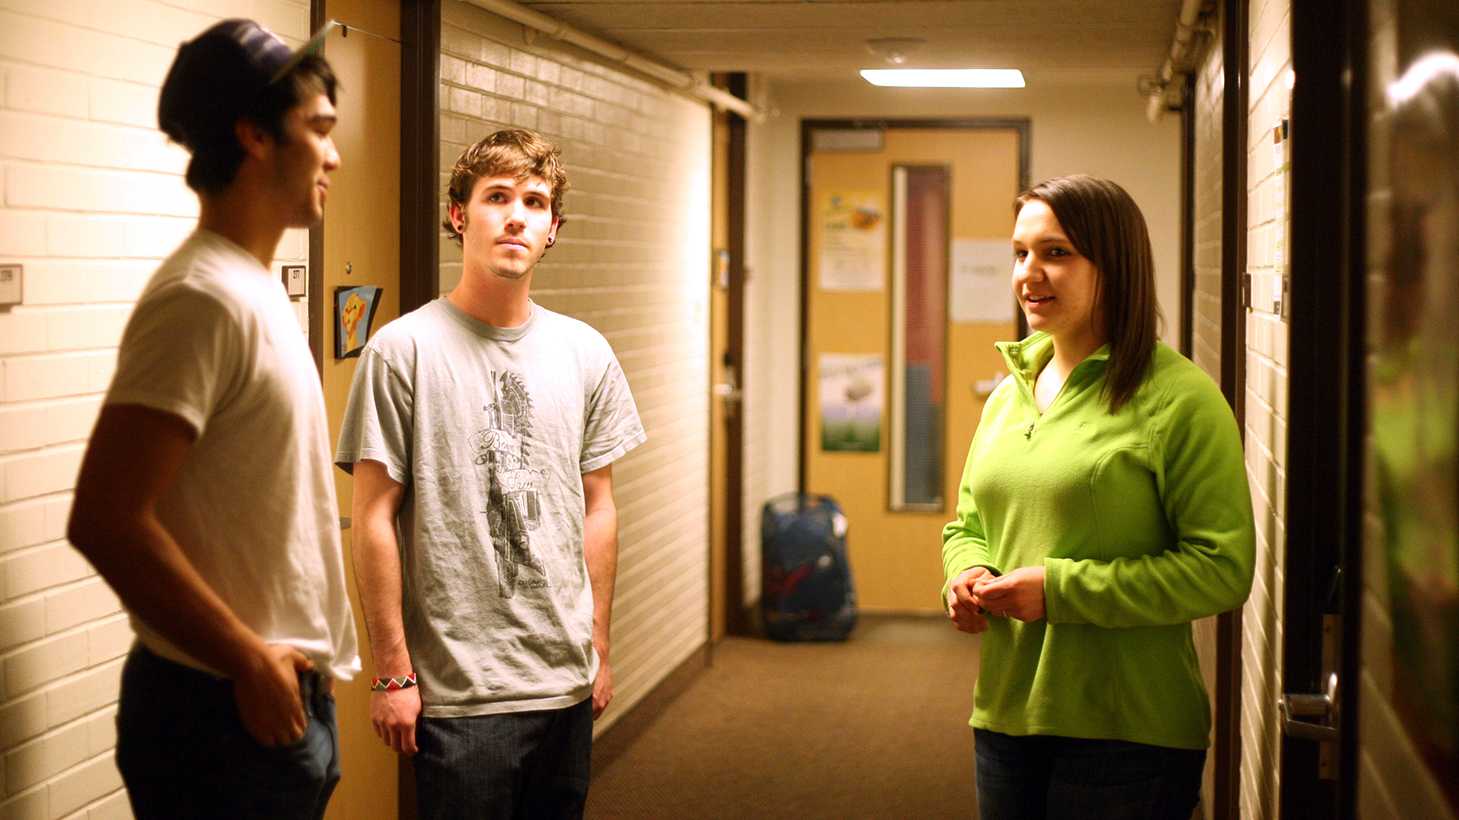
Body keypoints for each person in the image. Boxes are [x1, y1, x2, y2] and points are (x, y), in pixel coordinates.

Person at [66, 19, 357, 820]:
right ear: (254, 135)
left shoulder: (253, 285)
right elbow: (104, 520)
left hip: (267, 695)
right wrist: (246, 661)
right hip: (216, 707)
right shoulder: (202, 299)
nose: (334, 155)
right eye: (319, 129)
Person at [336, 128, 645, 819]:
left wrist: (597, 644)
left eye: (534, 203)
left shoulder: (584, 352)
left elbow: (599, 508)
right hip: (458, 694)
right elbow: (374, 517)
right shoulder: (402, 351)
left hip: (562, 684)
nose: (515, 216)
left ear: (551, 229)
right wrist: (391, 673)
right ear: (458, 216)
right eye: (496, 197)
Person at [941, 175, 1256, 820]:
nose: (1030, 274)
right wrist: (966, 571)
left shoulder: (1179, 398)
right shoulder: (1010, 392)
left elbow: (1222, 570)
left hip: (1127, 731)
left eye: (1056, 253)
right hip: (1006, 712)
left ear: (1114, 265)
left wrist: (1060, 593)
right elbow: (968, 521)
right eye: (1020, 253)